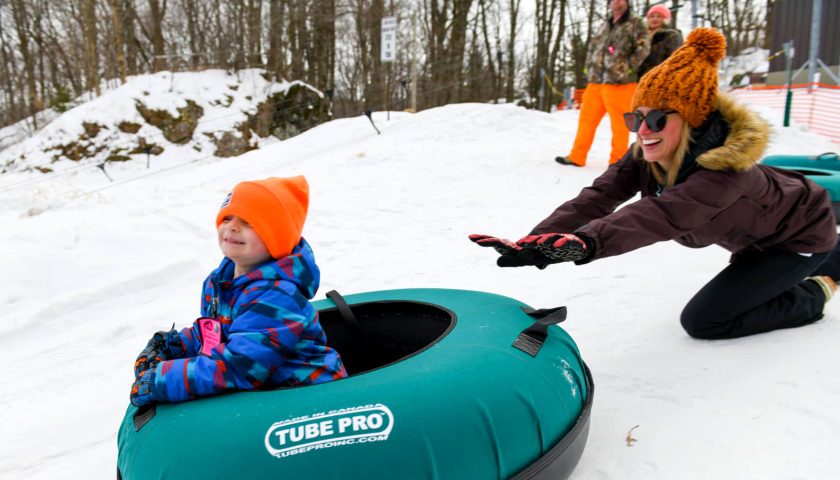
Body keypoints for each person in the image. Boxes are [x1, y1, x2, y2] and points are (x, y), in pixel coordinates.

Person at [472, 28, 840, 340]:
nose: (644, 130)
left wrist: (585, 243)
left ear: (693, 121)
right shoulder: (647, 154)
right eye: (638, 118)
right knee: (737, 295)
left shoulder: (727, 173)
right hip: (754, 238)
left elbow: (660, 215)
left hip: (797, 238)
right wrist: (536, 242)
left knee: (705, 321)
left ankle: (819, 286)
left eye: (659, 119)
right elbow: (600, 196)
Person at [130, 176, 347, 407]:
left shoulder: (278, 297)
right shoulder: (220, 280)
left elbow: (241, 365)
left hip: (309, 396)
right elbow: (218, 332)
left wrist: (163, 379)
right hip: (267, 391)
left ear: (277, 236)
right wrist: (177, 344)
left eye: (249, 222)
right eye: (227, 217)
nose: (232, 226)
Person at [556, 0, 650, 167]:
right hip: (596, 82)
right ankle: (577, 156)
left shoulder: (636, 23)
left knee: (620, 125)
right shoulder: (605, 24)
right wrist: (588, 69)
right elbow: (593, 48)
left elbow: (643, 48)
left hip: (620, 83)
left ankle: (618, 161)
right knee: (586, 121)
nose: (617, 2)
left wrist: (627, 69)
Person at [637, 4, 684, 79]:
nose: (655, 19)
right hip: (641, 79)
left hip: (662, 78)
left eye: (659, 16)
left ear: (665, 19)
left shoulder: (672, 35)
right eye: (652, 16)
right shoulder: (641, 36)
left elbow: (675, 58)